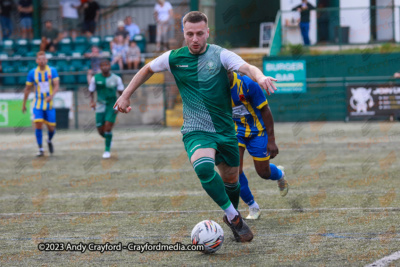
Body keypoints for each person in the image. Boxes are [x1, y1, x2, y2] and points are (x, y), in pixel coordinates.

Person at [114, 11, 278, 242]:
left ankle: (229, 213)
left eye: (200, 33)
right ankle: (234, 217)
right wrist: (125, 95)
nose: (195, 39)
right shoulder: (174, 58)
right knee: (203, 168)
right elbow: (147, 69)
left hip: (225, 131)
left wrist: (260, 77)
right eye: (190, 34)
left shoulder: (220, 55)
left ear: (207, 32)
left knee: (232, 181)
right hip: (196, 129)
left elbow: (246, 67)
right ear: (184, 33)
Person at [228, 71, 289, 220]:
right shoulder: (215, 88)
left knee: (263, 173)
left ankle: (279, 174)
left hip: (258, 131)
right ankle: (253, 207)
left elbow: (265, 110)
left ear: (230, 71)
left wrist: (272, 140)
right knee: (235, 172)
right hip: (236, 131)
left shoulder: (248, 84)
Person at [22, 51, 59, 157]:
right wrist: (24, 103)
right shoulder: (32, 73)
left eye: (44, 59)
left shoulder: (52, 71)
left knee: (51, 128)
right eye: (40, 59)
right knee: (38, 124)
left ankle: (49, 140)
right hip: (37, 103)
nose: (42, 61)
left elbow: (56, 85)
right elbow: (27, 88)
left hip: (49, 103)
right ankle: (41, 149)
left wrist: (51, 96)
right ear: (36, 61)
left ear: (46, 60)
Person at [88, 59, 124, 159]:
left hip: (112, 105)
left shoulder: (116, 78)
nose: (105, 67)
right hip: (100, 105)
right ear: (100, 67)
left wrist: (120, 105)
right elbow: (91, 91)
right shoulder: (95, 78)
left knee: (108, 127)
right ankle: (109, 139)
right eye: (103, 65)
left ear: (110, 66)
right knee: (100, 130)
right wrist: (92, 102)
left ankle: (107, 150)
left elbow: (122, 93)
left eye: (107, 65)